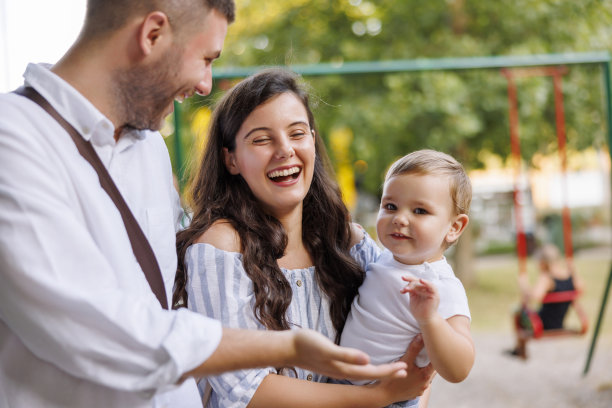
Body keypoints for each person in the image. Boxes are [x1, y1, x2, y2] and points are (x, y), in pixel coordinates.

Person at [0, 2, 410, 407]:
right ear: (152, 35)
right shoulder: (14, 140)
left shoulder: (148, 149)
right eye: (206, 58)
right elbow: (88, 330)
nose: (204, 85)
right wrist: (282, 348)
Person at [173, 68, 434, 407]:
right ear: (231, 159)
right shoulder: (220, 247)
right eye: (262, 139)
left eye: (297, 133)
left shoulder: (349, 243)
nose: (285, 150)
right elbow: (245, 390)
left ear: (312, 139)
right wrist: (378, 396)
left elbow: (416, 346)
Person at [338, 149, 475, 408]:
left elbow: (460, 368)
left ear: (454, 227)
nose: (399, 219)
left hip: (392, 399)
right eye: (390, 206)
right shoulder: (383, 259)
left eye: (420, 211)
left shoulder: (441, 286)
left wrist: (429, 318)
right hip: (344, 388)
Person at [508, 243, 585, 359]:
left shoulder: (547, 278)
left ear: (543, 262)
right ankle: (519, 349)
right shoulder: (569, 275)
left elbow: (535, 296)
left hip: (542, 324)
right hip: (560, 322)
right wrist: (574, 271)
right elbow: (581, 289)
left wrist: (524, 285)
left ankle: (520, 349)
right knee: (521, 312)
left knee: (516, 312)